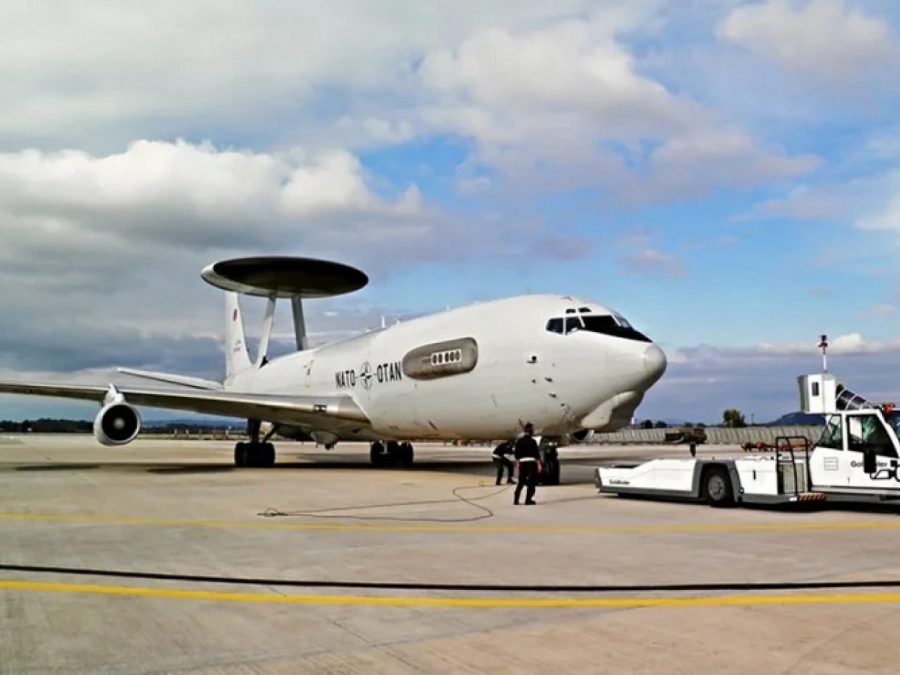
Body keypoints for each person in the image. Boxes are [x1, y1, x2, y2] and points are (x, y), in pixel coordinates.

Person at [514, 422, 541, 505]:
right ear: (531, 431)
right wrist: (539, 464)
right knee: (531, 482)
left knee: (521, 481)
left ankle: (516, 500)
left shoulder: (519, 441)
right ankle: (528, 500)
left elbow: (516, 453)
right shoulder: (533, 441)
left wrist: (518, 462)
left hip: (522, 462)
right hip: (531, 462)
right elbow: (536, 454)